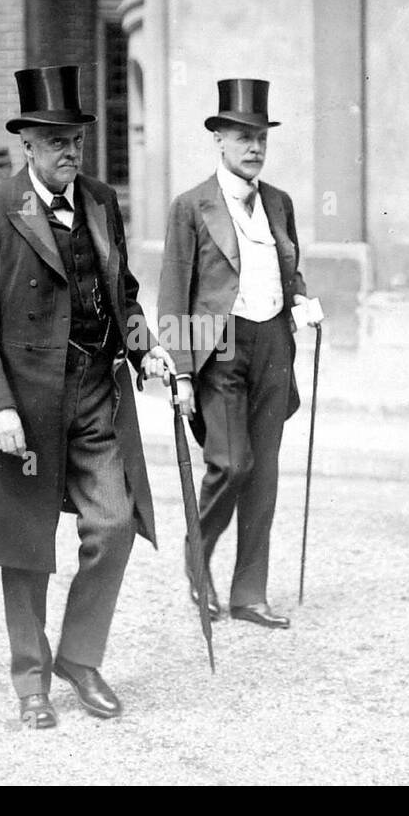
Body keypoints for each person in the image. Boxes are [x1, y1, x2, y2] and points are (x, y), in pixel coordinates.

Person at [0, 64, 174, 729]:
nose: (67, 150)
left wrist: (144, 346)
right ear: (26, 143)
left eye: (74, 137)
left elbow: (124, 292)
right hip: (25, 402)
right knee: (25, 545)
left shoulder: (102, 202)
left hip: (95, 392)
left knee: (114, 520)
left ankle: (78, 656)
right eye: (52, 139)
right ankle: (30, 680)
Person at [157, 78, 324, 629]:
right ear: (219, 141)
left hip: (274, 341)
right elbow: (174, 291)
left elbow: (286, 265)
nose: (254, 148)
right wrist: (180, 373)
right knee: (231, 464)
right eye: (242, 137)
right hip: (220, 347)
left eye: (261, 138)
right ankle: (196, 555)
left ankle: (249, 592)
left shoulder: (279, 202)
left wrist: (302, 299)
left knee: (266, 475)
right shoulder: (190, 206)